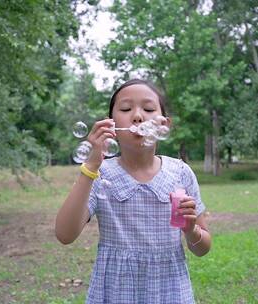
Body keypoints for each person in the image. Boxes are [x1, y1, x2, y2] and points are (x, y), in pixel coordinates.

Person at [55, 79, 211, 303]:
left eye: (148, 109)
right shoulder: (99, 174)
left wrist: (191, 230)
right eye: (126, 109)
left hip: (170, 292)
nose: (137, 116)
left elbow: (202, 248)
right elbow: (64, 235)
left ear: (164, 124)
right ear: (111, 125)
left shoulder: (181, 173)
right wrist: (89, 167)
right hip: (115, 293)